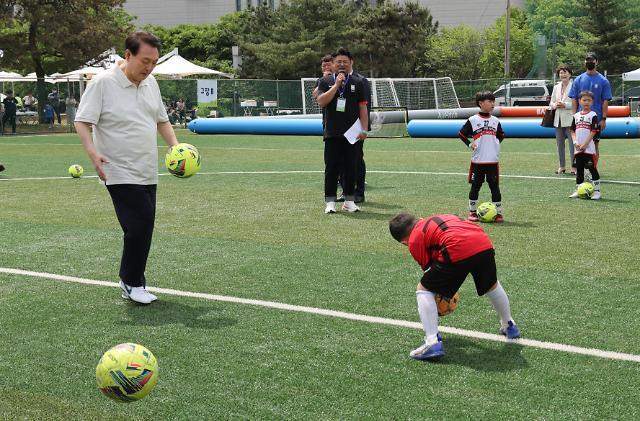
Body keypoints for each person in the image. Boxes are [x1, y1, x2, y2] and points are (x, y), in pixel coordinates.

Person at [74, 31, 179, 304]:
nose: (149, 67)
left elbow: (161, 121)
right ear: (128, 55)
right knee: (140, 222)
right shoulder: (102, 83)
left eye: (154, 62)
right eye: (145, 61)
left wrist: (175, 147)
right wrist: (93, 154)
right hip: (116, 169)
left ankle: (132, 280)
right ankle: (131, 282)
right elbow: (82, 121)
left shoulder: (151, 82)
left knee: (144, 225)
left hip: (147, 168)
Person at [389, 212, 521, 361]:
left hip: (456, 247)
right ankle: (509, 324)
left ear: (404, 242)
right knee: (492, 285)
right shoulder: (440, 217)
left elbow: (431, 275)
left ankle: (432, 342)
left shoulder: (414, 240)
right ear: (418, 218)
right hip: (483, 243)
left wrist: (442, 297)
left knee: (424, 289)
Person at [316, 47, 369, 214]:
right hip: (332, 132)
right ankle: (330, 202)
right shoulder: (324, 82)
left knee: (351, 167)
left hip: (352, 133)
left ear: (351, 63)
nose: (342, 64)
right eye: (338, 61)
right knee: (331, 167)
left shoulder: (358, 82)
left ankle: (349, 200)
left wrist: (365, 130)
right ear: (333, 63)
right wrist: (336, 85)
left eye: (345, 62)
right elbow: (322, 102)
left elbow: (363, 108)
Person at [458, 91, 505, 222]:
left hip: (492, 161)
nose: (492, 104)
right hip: (478, 161)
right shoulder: (473, 120)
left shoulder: (495, 121)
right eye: (489, 101)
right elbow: (461, 134)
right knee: (475, 186)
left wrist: (493, 145)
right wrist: (470, 144)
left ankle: (499, 213)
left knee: (494, 187)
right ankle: (472, 212)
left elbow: (501, 135)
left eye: (493, 101)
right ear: (480, 103)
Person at [569, 52, 612, 170]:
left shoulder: (603, 81)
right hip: (580, 119)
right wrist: (574, 116)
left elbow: (605, 101)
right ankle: (579, 170)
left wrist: (603, 119)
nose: (589, 62)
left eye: (592, 60)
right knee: (578, 143)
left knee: (594, 145)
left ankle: (593, 169)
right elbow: (573, 99)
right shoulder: (578, 79)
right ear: (584, 62)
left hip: (596, 119)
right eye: (587, 60)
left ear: (596, 62)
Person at [569, 90, 601, 200]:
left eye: (589, 100)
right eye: (584, 100)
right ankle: (578, 190)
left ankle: (597, 192)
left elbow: (593, 131)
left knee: (592, 169)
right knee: (579, 170)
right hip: (578, 149)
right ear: (579, 101)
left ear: (592, 102)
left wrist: (585, 144)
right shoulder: (576, 115)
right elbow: (572, 130)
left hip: (588, 149)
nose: (586, 102)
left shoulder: (593, 115)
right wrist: (575, 142)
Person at [550, 65, 575, 175]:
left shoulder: (574, 86)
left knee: (572, 145)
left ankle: (574, 167)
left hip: (570, 119)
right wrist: (555, 104)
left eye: (565, 72)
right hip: (558, 119)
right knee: (559, 144)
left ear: (570, 74)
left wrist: (565, 105)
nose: (563, 75)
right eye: (561, 73)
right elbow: (551, 102)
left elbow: (576, 102)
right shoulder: (556, 87)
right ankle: (562, 166)